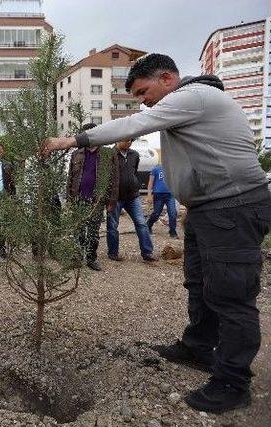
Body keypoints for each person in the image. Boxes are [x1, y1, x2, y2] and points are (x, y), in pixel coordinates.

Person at [44, 53, 271, 413]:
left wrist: (71, 140)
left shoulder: (192, 97)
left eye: (142, 90)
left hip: (232, 206)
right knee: (199, 284)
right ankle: (198, 347)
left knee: (231, 294)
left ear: (167, 78)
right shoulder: (188, 103)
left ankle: (232, 380)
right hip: (208, 209)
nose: (142, 99)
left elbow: (134, 124)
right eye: (136, 94)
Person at [65, 123, 119, 271]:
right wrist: (69, 198)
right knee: (78, 231)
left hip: (97, 201)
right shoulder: (77, 154)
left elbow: (115, 179)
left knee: (94, 232)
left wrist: (111, 201)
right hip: (78, 199)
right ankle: (77, 257)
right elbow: (70, 177)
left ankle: (91, 258)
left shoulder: (108, 154)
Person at [105, 139, 156, 262]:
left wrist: (135, 184)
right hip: (115, 198)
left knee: (141, 223)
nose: (129, 143)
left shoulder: (135, 155)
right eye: (126, 140)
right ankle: (113, 253)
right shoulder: (109, 155)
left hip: (133, 197)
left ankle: (147, 253)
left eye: (131, 141)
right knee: (112, 226)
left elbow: (134, 172)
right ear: (118, 140)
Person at [147, 163, 178, 238]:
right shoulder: (155, 169)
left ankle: (172, 231)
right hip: (158, 195)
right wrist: (149, 195)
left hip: (170, 195)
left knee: (173, 213)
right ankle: (148, 225)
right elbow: (150, 183)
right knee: (156, 214)